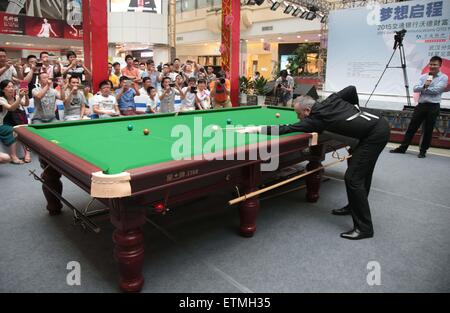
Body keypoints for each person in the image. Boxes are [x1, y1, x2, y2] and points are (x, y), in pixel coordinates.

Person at [239, 86, 390, 240]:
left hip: (374, 135)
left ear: (307, 111)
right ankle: (353, 207)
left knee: (353, 178)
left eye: (299, 114)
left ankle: (364, 228)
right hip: (377, 124)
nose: (298, 118)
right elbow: (351, 89)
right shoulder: (331, 100)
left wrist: (256, 129)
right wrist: (355, 109)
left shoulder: (315, 121)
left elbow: (286, 129)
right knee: (361, 173)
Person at [390, 56, 449, 158]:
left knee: (428, 129)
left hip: (433, 106)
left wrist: (424, 88)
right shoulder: (424, 76)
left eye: (435, 64)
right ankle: (403, 148)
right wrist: (426, 87)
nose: (432, 66)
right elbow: (415, 88)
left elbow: (437, 90)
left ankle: (423, 151)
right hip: (421, 105)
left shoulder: (444, 77)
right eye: (431, 64)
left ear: (439, 65)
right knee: (412, 127)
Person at [0, 80, 28, 164]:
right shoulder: (1, 99)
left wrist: (26, 96)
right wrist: (19, 97)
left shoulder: (15, 97)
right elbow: (11, 108)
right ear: (2, 90)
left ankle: (27, 154)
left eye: (12, 86)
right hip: (1, 124)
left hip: (10, 123)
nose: (11, 89)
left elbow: (26, 104)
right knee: (14, 130)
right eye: (8, 87)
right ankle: (13, 156)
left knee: (24, 129)